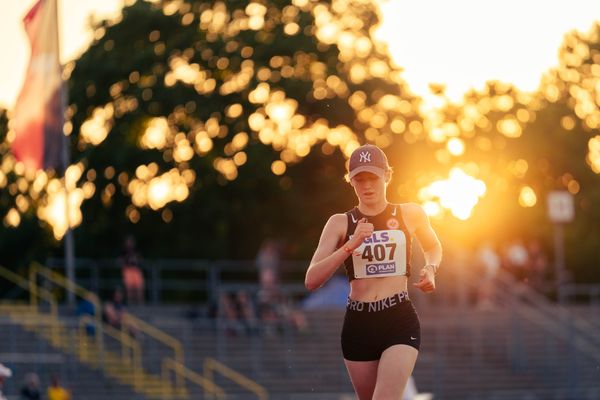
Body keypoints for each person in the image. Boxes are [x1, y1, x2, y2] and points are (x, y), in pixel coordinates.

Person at [305, 144, 442, 400]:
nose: (367, 186)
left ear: (387, 176)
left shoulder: (409, 213)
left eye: (373, 178)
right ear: (351, 182)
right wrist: (350, 245)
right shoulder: (340, 222)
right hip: (358, 323)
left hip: (398, 317)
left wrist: (431, 268)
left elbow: (433, 247)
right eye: (360, 179)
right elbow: (312, 279)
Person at [120, 234, 145, 305]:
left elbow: (140, 259)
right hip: (127, 270)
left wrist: (137, 259)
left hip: (136, 270)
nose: (129, 243)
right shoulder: (123, 251)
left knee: (139, 287)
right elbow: (120, 260)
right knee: (129, 287)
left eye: (131, 241)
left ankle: (140, 303)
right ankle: (130, 303)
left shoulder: (136, 250)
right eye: (128, 241)